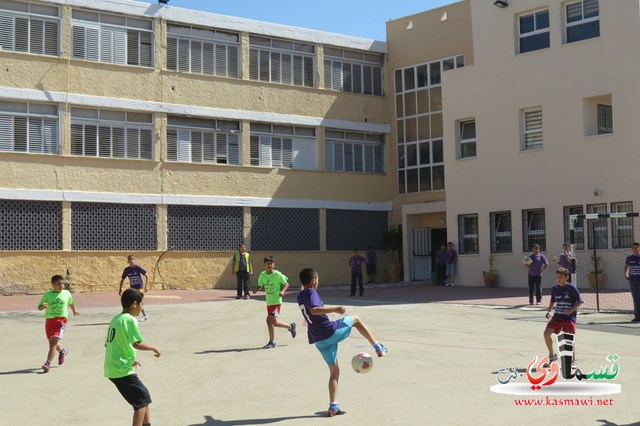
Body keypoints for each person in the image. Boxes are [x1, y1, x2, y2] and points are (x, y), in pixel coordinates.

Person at [297, 268, 387, 417]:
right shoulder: (311, 292)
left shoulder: (300, 295)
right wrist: (335, 309)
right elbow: (314, 310)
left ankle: (333, 406)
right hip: (329, 332)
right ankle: (378, 346)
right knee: (356, 319)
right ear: (313, 280)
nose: (318, 282)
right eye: (317, 279)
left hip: (319, 340)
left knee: (334, 372)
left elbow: (307, 299)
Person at [105, 289, 161, 426]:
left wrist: (130, 358)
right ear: (135, 304)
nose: (142, 307)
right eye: (142, 304)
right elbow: (136, 343)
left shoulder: (116, 319)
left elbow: (110, 345)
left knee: (144, 398)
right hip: (121, 370)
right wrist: (154, 348)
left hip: (113, 368)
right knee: (141, 401)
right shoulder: (129, 319)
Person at [37, 275, 80, 373]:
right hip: (49, 321)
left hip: (61, 321)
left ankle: (47, 363)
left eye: (62, 283)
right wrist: (42, 306)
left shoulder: (66, 293)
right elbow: (39, 307)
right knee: (53, 343)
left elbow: (70, 302)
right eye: (58, 284)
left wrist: (74, 311)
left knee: (53, 343)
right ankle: (62, 351)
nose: (61, 285)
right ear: (53, 285)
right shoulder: (48, 295)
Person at [253, 256, 296, 349]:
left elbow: (286, 284)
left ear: (274, 265)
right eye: (267, 263)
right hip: (269, 302)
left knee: (269, 321)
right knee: (274, 323)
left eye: (271, 263)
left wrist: (283, 291)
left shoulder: (277, 274)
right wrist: (256, 290)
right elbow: (260, 285)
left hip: (276, 301)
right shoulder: (262, 274)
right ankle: (290, 326)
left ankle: (272, 342)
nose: (269, 265)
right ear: (264, 265)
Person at [543, 267, 583, 366]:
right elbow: (552, 301)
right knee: (546, 334)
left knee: (568, 338)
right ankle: (552, 356)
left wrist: (571, 310)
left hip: (568, 318)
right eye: (557, 277)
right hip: (557, 316)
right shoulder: (555, 288)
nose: (558, 279)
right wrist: (549, 311)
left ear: (566, 277)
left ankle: (572, 361)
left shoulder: (571, 288)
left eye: (560, 277)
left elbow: (580, 301)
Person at [119, 255, 149, 321]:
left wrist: (146, 286)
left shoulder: (137, 268)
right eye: (130, 259)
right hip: (133, 289)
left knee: (138, 301)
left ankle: (144, 315)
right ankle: (134, 315)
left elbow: (146, 276)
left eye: (133, 259)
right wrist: (120, 289)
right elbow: (122, 279)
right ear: (128, 261)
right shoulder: (127, 270)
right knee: (133, 302)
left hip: (139, 287)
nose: (131, 260)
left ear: (134, 260)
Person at [624, 242, 640, 323]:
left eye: (636, 248)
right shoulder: (629, 258)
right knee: (636, 299)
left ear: (639, 249)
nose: (635, 249)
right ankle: (637, 317)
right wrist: (626, 274)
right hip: (633, 281)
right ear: (631, 249)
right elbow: (626, 266)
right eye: (633, 248)